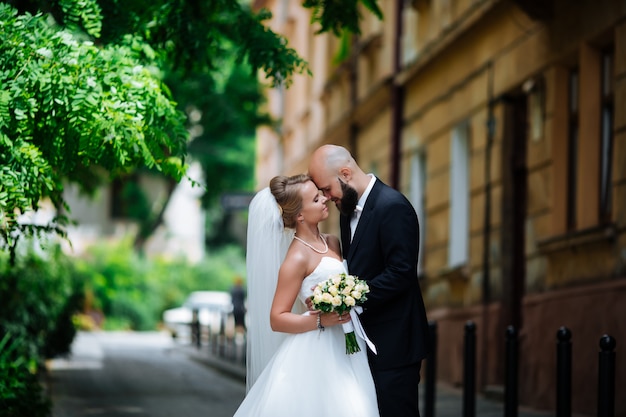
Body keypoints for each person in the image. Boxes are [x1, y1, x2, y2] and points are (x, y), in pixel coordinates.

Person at [234, 174, 380, 417]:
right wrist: (322, 319)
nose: (324, 199)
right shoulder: (296, 258)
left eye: (320, 194)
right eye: (315, 199)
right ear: (300, 215)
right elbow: (277, 318)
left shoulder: (332, 242)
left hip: (347, 343)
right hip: (318, 349)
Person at [308, 144, 430, 417]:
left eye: (327, 189)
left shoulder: (393, 206)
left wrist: (347, 296)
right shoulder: (347, 208)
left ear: (346, 173)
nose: (326, 197)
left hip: (394, 342)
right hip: (361, 344)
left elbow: (401, 273)